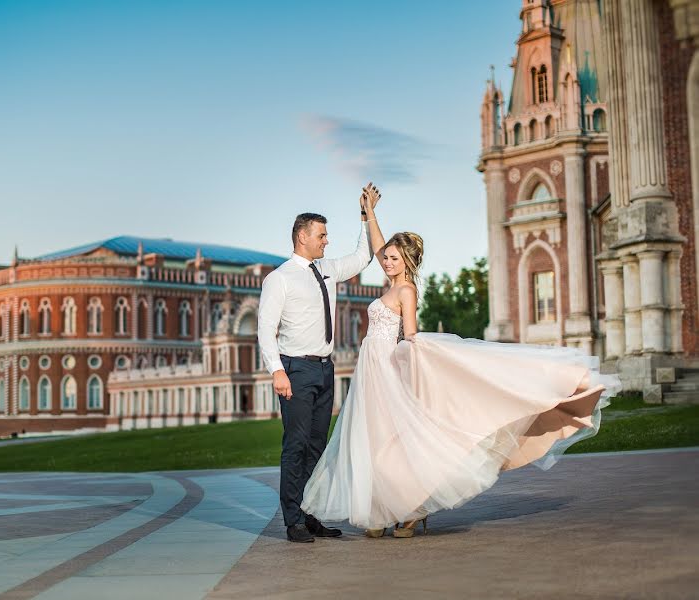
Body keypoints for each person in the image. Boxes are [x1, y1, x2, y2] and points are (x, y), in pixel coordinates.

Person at [300, 188, 621, 538]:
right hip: (370, 371)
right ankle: (382, 508)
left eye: (393, 258)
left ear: (406, 262)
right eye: (386, 258)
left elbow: (411, 336)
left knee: (399, 439)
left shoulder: (406, 290)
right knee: (375, 441)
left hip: (388, 368)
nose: (386, 262)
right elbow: (378, 246)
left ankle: (411, 509)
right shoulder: (390, 280)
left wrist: (415, 369)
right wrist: (369, 213)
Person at [257, 184, 380, 543]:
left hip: (325, 370)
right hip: (295, 370)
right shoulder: (278, 279)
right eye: (322, 235)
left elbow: (363, 257)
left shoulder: (327, 269)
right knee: (295, 446)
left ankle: (312, 515)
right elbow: (266, 329)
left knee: (316, 446)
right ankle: (292, 520)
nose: (327, 241)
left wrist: (365, 215)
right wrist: (277, 371)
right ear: (302, 236)